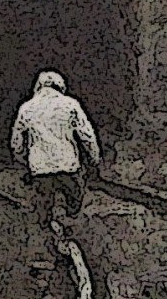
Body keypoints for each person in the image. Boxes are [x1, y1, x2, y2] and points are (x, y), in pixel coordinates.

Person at [10, 70, 101, 237]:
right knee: (74, 206)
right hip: (68, 165)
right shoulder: (71, 104)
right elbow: (87, 135)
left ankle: (49, 239)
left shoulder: (26, 108)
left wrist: (22, 160)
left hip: (40, 169)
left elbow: (16, 142)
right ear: (60, 86)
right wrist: (94, 157)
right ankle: (73, 234)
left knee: (43, 213)